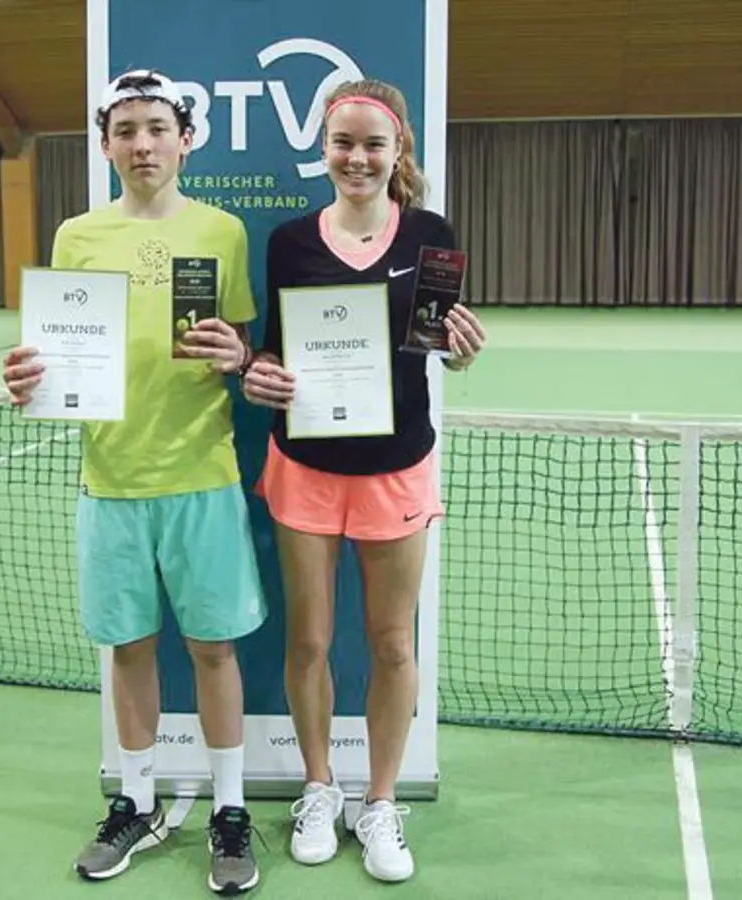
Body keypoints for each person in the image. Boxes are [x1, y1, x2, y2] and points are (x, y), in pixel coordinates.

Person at [2, 69, 266, 895]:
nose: (143, 143)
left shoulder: (223, 231)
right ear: (106, 143)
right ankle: (138, 800)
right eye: (126, 130)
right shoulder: (76, 236)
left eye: (158, 127)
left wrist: (241, 357)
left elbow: (244, 350)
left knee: (214, 648)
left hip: (202, 473)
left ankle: (229, 810)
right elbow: (56, 357)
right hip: (110, 479)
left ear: (186, 138)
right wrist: (27, 379)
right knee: (127, 647)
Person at [239, 78, 489, 884]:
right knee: (308, 640)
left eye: (372, 144)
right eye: (343, 143)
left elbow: (437, 342)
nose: (357, 157)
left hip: (397, 467)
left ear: (397, 152)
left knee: (390, 642)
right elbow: (272, 352)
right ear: (325, 149)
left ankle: (380, 802)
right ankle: (320, 787)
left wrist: (461, 346)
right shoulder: (286, 241)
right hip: (306, 467)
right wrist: (259, 377)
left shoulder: (430, 234)